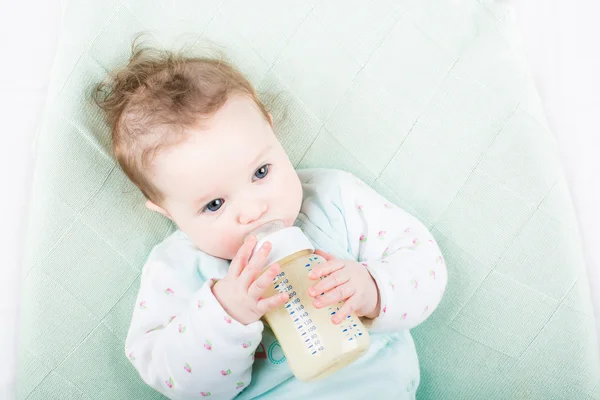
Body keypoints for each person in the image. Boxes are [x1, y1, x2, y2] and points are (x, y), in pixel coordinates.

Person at [92, 41, 448, 399]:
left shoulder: (333, 199)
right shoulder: (177, 268)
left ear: (272, 132)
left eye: (261, 172)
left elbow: (423, 262)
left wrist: (371, 287)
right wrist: (225, 313)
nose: (253, 211)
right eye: (214, 204)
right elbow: (172, 378)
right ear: (167, 211)